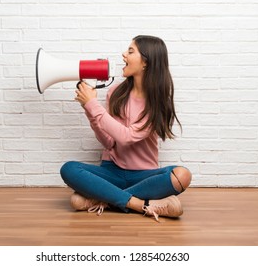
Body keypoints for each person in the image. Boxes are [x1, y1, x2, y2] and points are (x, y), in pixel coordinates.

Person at [60, 35, 192, 222]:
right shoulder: (116, 92)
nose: (123, 55)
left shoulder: (157, 101)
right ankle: (141, 205)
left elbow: (127, 137)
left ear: (146, 61)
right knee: (69, 169)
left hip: (144, 176)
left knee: (182, 175)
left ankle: (104, 198)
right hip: (110, 172)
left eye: (130, 51)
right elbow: (109, 141)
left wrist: (92, 105)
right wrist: (89, 109)